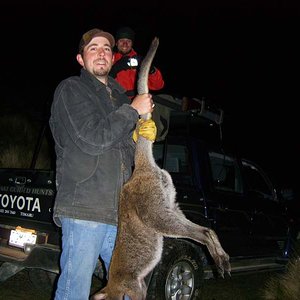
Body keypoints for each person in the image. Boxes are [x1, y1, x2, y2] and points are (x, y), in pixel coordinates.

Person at [49, 28, 157, 300]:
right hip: (85, 208)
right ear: (80, 59)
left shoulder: (119, 97)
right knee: (75, 291)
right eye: (93, 48)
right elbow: (92, 138)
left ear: (113, 58)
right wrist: (132, 110)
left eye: (107, 49)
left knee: (129, 291)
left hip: (120, 212)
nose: (102, 52)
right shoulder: (72, 89)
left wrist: (139, 138)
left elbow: (121, 150)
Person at [109, 26, 165, 98]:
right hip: (115, 101)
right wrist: (115, 68)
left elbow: (158, 86)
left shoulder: (140, 62)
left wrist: (151, 70)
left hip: (137, 101)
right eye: (121, 40)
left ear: (132, 44)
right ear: (116, 43)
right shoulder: (109, 60)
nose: (125, 44)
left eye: (128, 41)